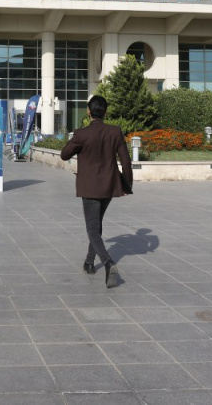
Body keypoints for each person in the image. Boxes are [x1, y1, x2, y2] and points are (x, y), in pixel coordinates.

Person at [60, 95, 133, 288]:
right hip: (109, 186)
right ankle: (89, 262)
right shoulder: (115, 132)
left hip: (90, 186)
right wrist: (126, 185)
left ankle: (108, 262)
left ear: (88, 111)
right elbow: (126, 161)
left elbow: (64, 154)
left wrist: (77, 143)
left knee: (92, 228)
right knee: (97, 224)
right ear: (105, 112)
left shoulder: (82, 134)